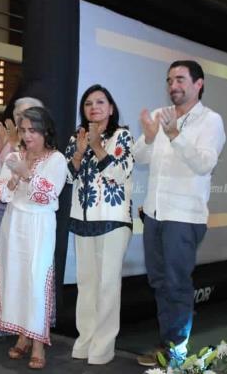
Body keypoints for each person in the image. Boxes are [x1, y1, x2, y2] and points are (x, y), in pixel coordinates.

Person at [134, 60, 226, 367]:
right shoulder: (161, 116)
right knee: (160, 281)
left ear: (198, 84)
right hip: (155, 214)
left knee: (176, 283)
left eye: (181, 79)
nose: (174, 85)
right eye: (170, 80)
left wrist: (175, 135)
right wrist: (149, 136)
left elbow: (204, 163)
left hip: (184, 217)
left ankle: (175, 351)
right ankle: (167, 344)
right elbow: (139, 156)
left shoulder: (211, 121)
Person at [0, 106, 68, 370]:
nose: (27, 135)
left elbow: (47, 195)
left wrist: (27, 173)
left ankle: (39, 341)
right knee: (16, 277)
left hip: (39, 223)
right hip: (14, 221)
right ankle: (22, 335)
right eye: (23, 130)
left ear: (45, 131)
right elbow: (2, 193)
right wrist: (13, 178)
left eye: (33, 130)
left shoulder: (56, 159)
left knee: (35, 279)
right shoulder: (16, 156)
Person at [65, 84, 133, 365]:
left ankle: (102, 348)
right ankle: (85, 341)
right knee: (87, 284)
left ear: (111, 108)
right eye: (88, 103)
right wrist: (80, 151)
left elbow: (120, 173)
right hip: (82, 218)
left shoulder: (123, 135)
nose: (94, 107)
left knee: (107, 285)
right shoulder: (76, 137)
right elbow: (69, 177)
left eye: (100, 102)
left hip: (114, 219)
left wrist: (96, 146)